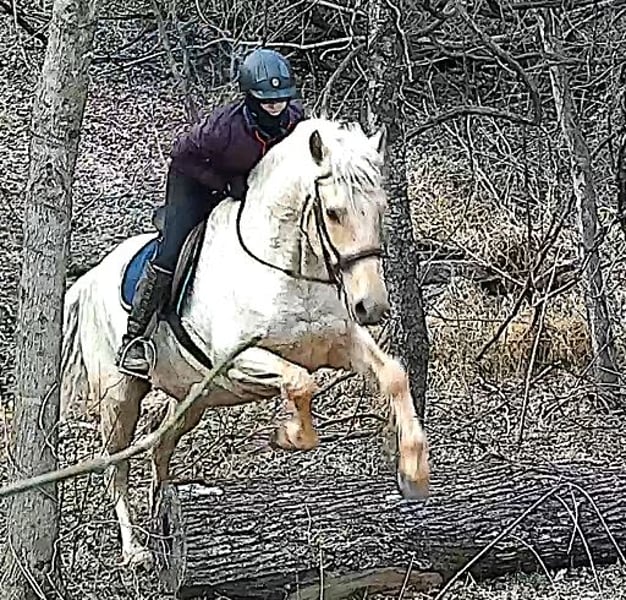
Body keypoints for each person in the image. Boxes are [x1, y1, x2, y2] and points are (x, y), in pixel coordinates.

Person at [115, 48, 306, 378]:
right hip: (194, 181)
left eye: (281, 98)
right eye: (267, 100)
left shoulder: (296, 121)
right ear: (250, 97)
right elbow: (181, 155)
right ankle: (134, 339)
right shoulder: (223, 128)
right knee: (171, 251)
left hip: (247, 188)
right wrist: (224, 183)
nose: (276, 106)